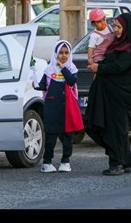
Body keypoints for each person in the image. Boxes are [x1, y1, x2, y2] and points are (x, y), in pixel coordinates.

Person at [86, 12, 131, 175]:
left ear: (127, 28)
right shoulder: (118, 44)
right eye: (115, 26)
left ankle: (116, 163)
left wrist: (100, 68)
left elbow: (121, 66)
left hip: (120, 95)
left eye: (119, 27)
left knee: (114, 128)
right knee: (114, 127)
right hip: (108, 93)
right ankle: (125, 161)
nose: (116, 30)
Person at [33, 40, 79, 173]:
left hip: (68, 107)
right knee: (51, 136)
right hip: (52, 107)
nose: (64, 56)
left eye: (66, 53)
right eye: (60, 53)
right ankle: (47, 162)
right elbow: (42, 86)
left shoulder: (72, 68)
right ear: (55, 53)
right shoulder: (49, 70)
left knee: (67, 136)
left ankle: (65, 161)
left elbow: (71, 81)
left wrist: (63, 67)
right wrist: (33, 78)